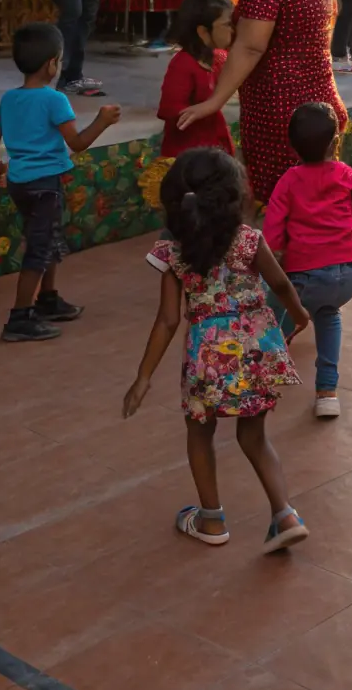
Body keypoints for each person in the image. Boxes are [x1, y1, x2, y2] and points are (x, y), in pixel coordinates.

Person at [123, 148, 311, 551]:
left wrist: (143, 377)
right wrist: (298, 314)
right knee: (255, 437)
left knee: (199, 432)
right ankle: (286, 514)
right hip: (256, 351)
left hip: (208, 359)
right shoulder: (248, 240)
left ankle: (211, 521)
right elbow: (279, 284)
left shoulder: (172, 252)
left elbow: (168, 320)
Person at [177, 0, 348, 207]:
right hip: (323, 106)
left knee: (283, 199)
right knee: (320, 195)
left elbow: (250, 46)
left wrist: (215, 101)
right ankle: (325, 249)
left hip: (280, 113)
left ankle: (277, 252)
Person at [0, 22, 121, 342]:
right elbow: (77, 143)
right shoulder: (54, 99)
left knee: (47, 238)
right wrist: (101, 121)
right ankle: (19, 317)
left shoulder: (8, 99)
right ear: (52, 65)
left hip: (21, 183)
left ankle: (48, 299)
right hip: (45, 185)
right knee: (39, 247)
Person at [263, 102, 352, 418]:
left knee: (273, 307)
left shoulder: (289, 181)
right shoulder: (347, 175)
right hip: (350, 274)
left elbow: (271, 235)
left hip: (306, 277)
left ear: (292, 146)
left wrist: (266, 266)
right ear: (335, 143)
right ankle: (327, 393)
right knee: (328, 314)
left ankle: (264, 369)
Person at [140, 0, 235, 212]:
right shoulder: (182, 65)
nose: (232, 30)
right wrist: (199, 111)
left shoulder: (220, 58)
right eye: (226, 24)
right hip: (189, 157)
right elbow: (170, 110)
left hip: (214, 150)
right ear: (203, 31)